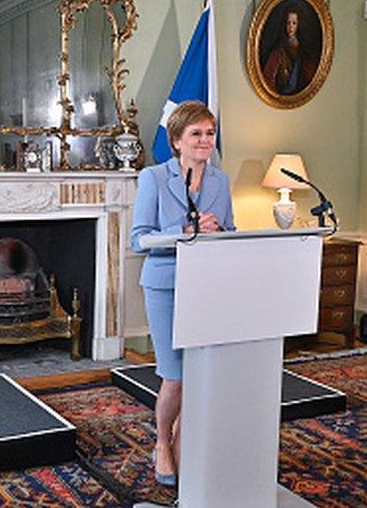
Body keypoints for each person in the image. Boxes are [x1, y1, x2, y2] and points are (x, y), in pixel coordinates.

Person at [130, 100, 235, 485]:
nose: (205, 140)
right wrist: (184, 232)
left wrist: (219, 231)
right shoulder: (154, 178)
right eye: (196, 134)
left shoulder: (221, 181)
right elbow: (139, 240)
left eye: (210, 133)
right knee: (174, 375)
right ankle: (162, 442)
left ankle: (185, 442)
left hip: (209, 286)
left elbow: (233, 231)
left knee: (201, 373)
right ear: (176, 141)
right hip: (166, 285)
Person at [262, 4, 318, 95]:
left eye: (294, 23)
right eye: (288, 23)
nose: (290, 27)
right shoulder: (278, 51)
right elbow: (268, 78)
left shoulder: (304, 50)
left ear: (299, 25)